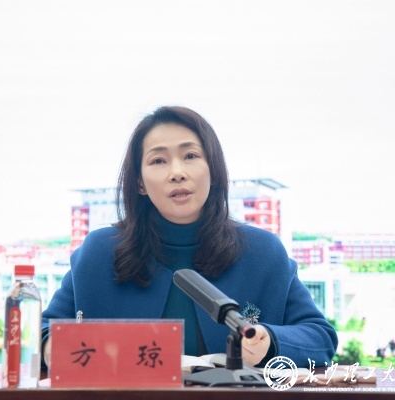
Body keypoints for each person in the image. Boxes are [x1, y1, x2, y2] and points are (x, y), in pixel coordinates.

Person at [40, 105, 338, 369]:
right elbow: (39, 330)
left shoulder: (262, 252)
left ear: (213, 170)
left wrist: (270, 341)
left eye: (190, 156)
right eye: (158, 161)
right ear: (140, 183)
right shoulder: (100, 252)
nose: (177, 172)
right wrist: (51, 346)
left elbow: (320, 337)